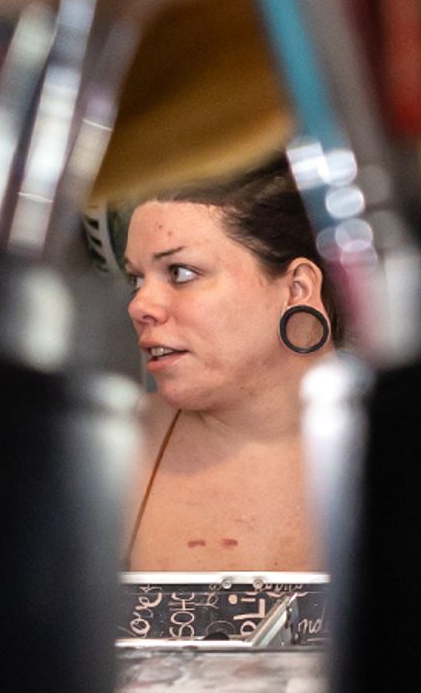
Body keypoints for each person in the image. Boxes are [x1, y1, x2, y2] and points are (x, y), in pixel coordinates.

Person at [120, 161, 337, 573]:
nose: (139, 306)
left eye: (180, 272)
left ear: (297, 289)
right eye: (136, 279)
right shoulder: (100, 455)